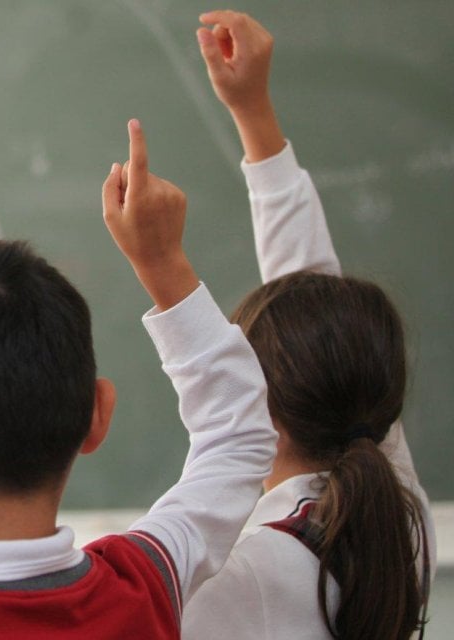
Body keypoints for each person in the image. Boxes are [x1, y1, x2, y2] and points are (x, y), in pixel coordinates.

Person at [0, 120, 276, 638]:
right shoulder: (147, 578)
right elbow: (239, 435)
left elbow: (238, 436)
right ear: (97, 414)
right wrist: (162, 261)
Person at [181, 11, 432, 638]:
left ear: (259, 405)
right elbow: (320, 303)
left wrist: (165, 270)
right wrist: (253, 113)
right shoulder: (398, 510)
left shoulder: (250, 577)